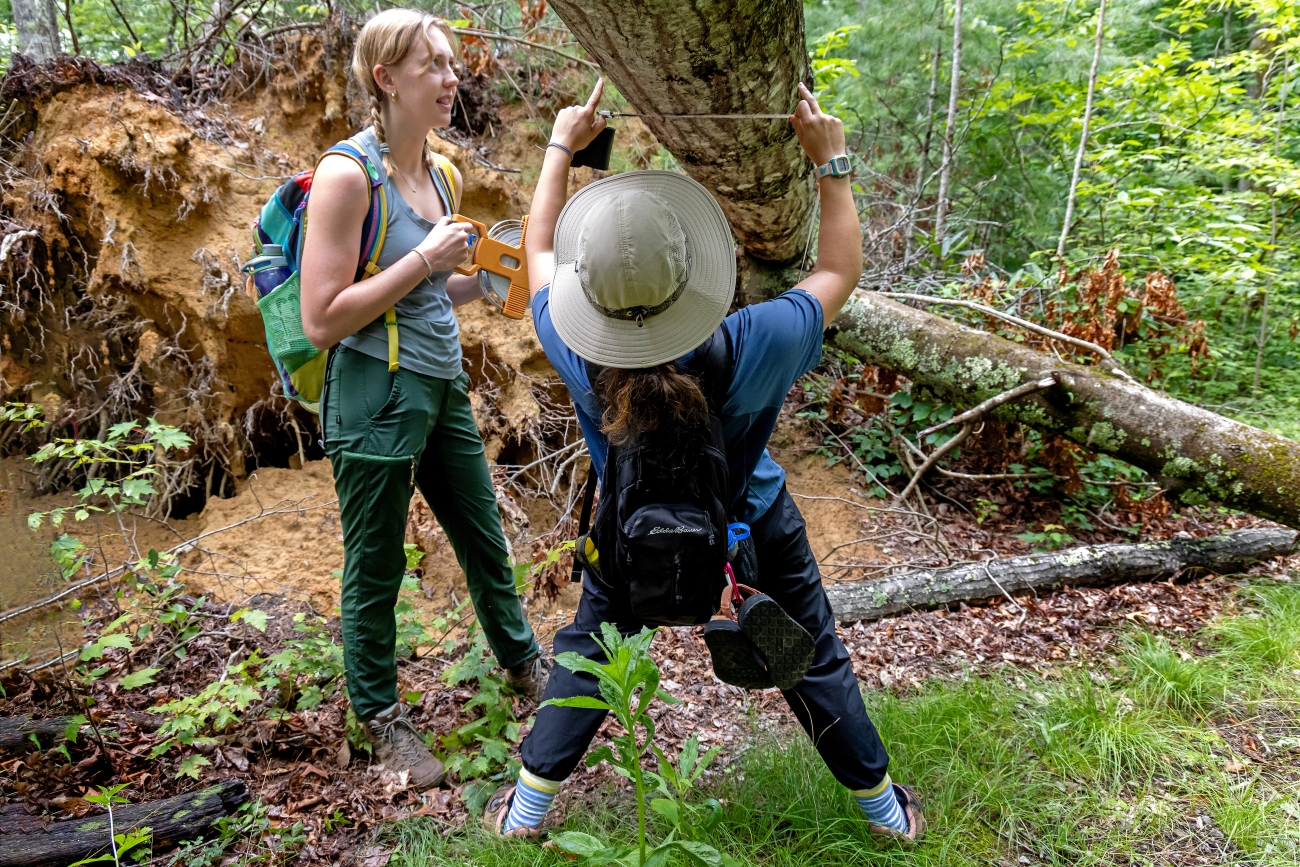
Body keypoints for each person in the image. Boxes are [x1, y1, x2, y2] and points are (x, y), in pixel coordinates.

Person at [482, 79, 926, 842]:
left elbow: (541, 248)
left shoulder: (572, 344)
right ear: (693, 274)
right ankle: (888, 815)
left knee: (587, 654)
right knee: (812, 653)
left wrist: (560, 144)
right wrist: (832, 163)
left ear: (593, 293)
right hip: (751, 526)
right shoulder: (757, 341)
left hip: (629, 530)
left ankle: (522, 815)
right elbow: (839, 271)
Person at [298, 9, 547, 789]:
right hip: (373, 392)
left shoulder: (442, 175)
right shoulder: (348, 177)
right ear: (386, 78)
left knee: (484, 540)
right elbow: (321, 319)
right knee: (376, 566)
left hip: (441, 386)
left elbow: (433, 292)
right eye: (432, 64)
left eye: (451, 63)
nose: (451, 77)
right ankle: (379, 720)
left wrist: (491, 280)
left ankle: (526, 670)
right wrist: (426, 260)